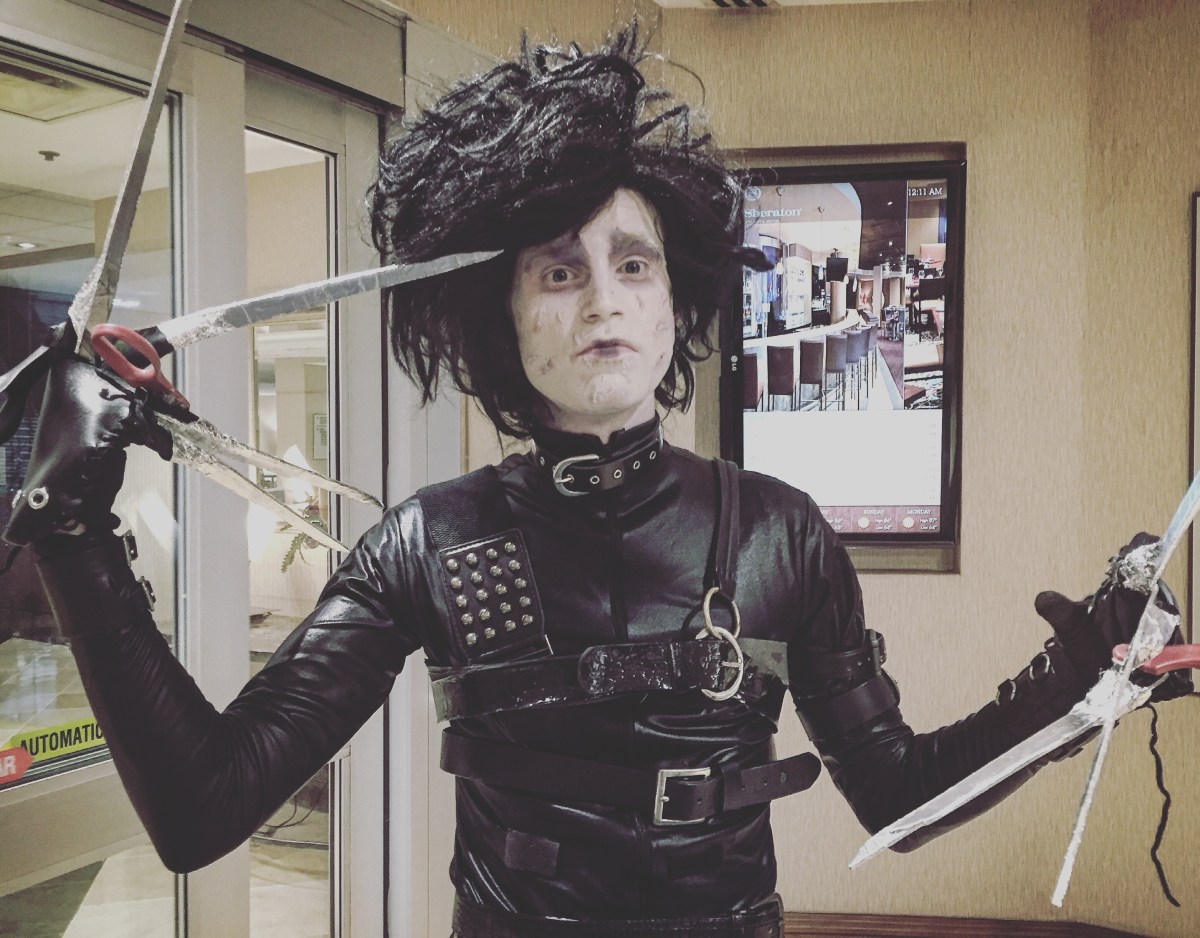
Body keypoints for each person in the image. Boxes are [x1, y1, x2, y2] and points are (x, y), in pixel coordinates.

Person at [5, 26, 1190, 938]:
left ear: (679, 302)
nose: (603, 300)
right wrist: (72, 527)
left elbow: (899, 794)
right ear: (502, 316)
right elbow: (204, 806)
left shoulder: (780, 535)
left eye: (634, 264)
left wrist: (1081, 674)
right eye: (559, 270)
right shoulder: (428, 541)